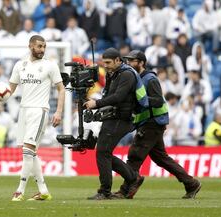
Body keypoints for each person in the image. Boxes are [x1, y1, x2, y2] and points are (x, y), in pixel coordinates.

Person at [116, 50, 201, 199]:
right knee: (162, 159)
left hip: (152, 123)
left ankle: (125, 190)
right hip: (150, 122)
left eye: (132, 61)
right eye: (128, 60)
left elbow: (158, 101)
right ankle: (191, 183)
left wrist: (139, 100)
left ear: (141, 63)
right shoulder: (139, 78)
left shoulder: (150, 79)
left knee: (135, 156)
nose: (129, 63)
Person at [0, 35, 65, 201]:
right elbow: (10, 90)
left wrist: (59, 112)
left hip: (39, 110)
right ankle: (43, 190)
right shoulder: (20, 65)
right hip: (23, 111)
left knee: (27, 151)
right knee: (31, 153)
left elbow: (61, 89)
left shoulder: (50, 65)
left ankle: (20, 190)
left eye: (44, 46)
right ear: (30, 46)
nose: (42, 50)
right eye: (39, 46)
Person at [84, 48, 149, 200]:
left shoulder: (126, 74)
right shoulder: (113, 73)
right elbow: (110, 95)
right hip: (113, 117)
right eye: (103, 62)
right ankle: (133, 178)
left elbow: (119, 97)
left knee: (102, 152)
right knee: (103, 153)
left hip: (122, 118)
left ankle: (105, 191)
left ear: (118, 60)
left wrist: (97, 103)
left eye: (108, 62)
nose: (105, 65)